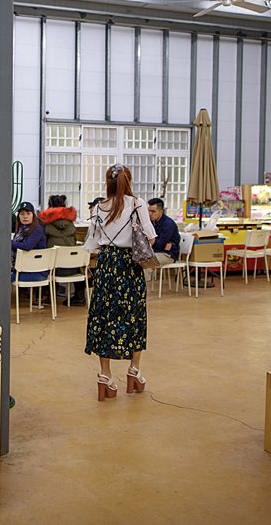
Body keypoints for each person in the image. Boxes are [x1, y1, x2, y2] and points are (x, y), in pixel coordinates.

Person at [82, 164, 156, 401]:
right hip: (129, 267)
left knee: (104, 317)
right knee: (133, 316)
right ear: (129, 181)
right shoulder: (138, 204)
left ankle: (105, 375)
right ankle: (134, 371)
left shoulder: (98, 208)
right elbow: (151, 238)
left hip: (106, 266)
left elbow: (91, 246)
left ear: (108, 182)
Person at [39, 195, 84, 304]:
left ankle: (48, 296)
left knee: (46, 260)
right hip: (74, 269)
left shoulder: (45, 225)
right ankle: (80, 296)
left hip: (55, 270)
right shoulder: (71, 225)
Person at [11, 201, 47, 282]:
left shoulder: (37, 229)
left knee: (3, 277)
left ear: (33, 215)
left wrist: (8, 243)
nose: (25, 217)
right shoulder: (21, 229)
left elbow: (27, 246)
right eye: (22, 214)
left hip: (37, 271)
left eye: (28, 213)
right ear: (18, 216)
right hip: (24, 268)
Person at [147, 197, 180, 265]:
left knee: (147, 262)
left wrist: (152, 241)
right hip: (154, 252)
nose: (150, 214)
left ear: (161, 211)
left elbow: (161, 245)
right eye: (149, 211)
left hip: (168, 254)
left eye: (153, 211)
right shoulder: (151, 222)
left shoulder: (168, 224)